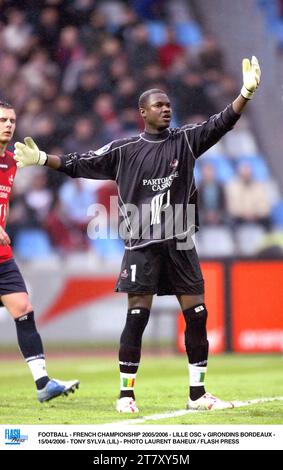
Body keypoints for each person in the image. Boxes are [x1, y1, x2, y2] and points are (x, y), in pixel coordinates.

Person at [14, 57, 261, 412]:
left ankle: (197, 394)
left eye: (168, 105)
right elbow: (80, 162)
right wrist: (42, 159)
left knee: (197, 314)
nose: (166, 109)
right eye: (158, 105)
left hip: (179, 244)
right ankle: (126, 395)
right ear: (142, 112)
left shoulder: (186, 141)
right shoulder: (124, 150)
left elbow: (222, 122)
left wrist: (245, 93)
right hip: (141, 247)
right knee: (137, 317)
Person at [0, 101, 79, 402]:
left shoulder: (10, 162)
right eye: (2, 120)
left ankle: (43, 383)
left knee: (23, 309)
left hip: (2, 257)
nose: (8, 125)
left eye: (12, 120)